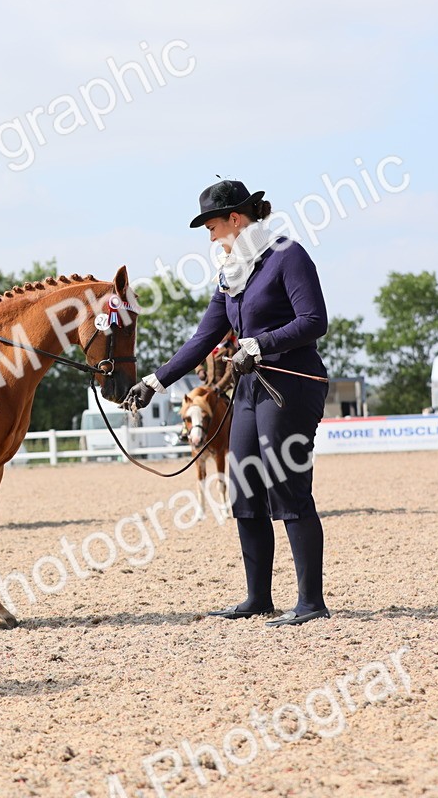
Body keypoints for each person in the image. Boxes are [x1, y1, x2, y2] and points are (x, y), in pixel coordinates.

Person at [124, 180, 332, 627]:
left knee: (288, 488)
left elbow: (315, 320)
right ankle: (259, 598)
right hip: (252, 390)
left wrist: (258, 344)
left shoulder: (286, 256)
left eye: (213, 227)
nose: (211, 237)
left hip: (291, 384)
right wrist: (154, 382)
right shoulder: (233, 273)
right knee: (245, 490)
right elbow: (204, 338)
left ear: (236, 220)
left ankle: (311, 602)